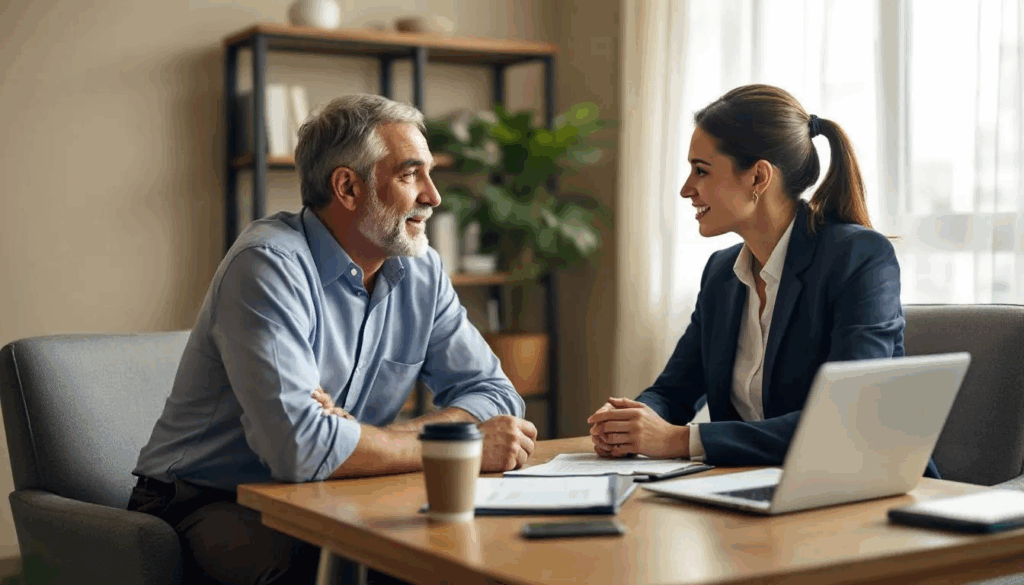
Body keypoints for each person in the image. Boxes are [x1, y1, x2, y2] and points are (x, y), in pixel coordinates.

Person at [129, 93, 537, 584]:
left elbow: (496, 395)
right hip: (204, 500)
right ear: (347, 186)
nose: (434, 196)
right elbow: (300, 448)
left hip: (332, 488)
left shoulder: (421, 270)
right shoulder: (267, 265)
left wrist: (368, 439)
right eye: (411, 175)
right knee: (363, 565)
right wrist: (456, 441)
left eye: (430, 174)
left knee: (474, 546)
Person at [589, 84, 940, 478]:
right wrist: (629, 424)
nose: (687, 189)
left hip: (864, 494)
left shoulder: (859, 259)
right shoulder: (721, 274)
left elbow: (845, 421)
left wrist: (679, 440)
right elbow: (674, 390)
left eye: (701, 170)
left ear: (758, 176)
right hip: (751, 490)